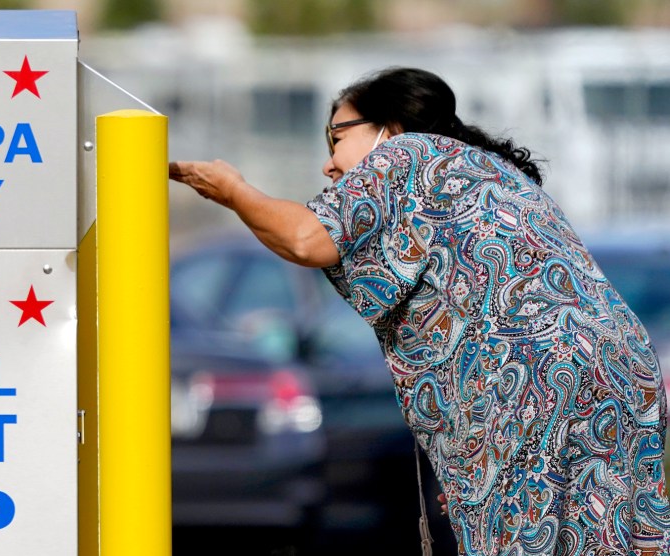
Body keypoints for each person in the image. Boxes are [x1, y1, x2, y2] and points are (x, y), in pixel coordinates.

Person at [169, 67, 670, 556]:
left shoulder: (404, 153)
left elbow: (306, 238)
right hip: (624, 374)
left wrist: (232, 190)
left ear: (387, 127)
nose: (328, 165)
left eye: (335, 138)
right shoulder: (486, 171)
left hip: (533, 381)